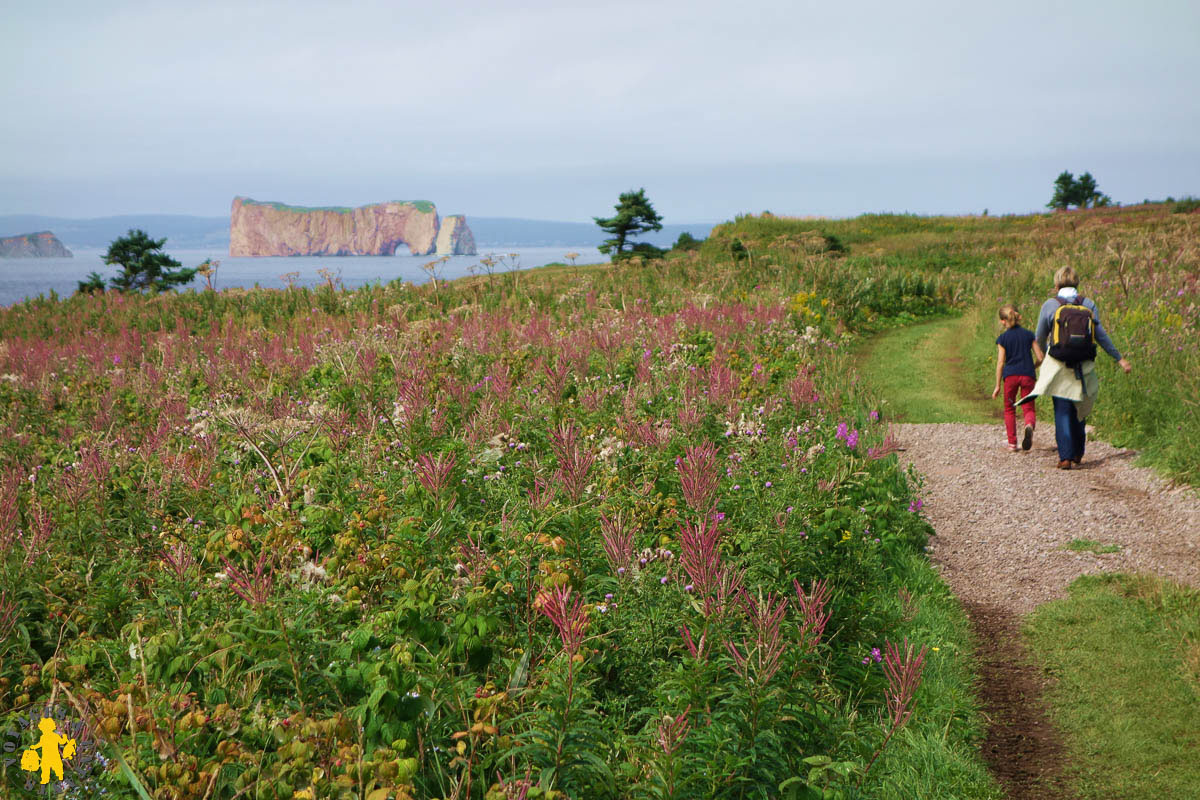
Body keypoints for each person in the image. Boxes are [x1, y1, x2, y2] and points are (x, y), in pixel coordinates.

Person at [1017, 266, 1132, 469]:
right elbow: (1101, 335)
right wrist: (1119, 358)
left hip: (1058, 364)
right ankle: (1078, 452)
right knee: (1079, 409)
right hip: (1083, 365)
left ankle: (1066, 457)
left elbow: (1040, 336)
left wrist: (1039, 359)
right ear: (1077, 284)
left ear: (1056, 284)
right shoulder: (1088, 304)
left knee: (1061, 410)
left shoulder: (1050, 305)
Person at [991, 304, 1042, 451]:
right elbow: (1040, 356)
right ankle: (1029, 425)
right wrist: (1033, 367)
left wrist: (997, 385)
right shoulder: (1028, 334)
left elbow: (1001, 362)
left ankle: (1012, 443)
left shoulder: (1003, 338)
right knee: (1028, 406)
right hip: (1027, 375)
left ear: (1003, 321)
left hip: (1010, 376)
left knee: (1009, 409)